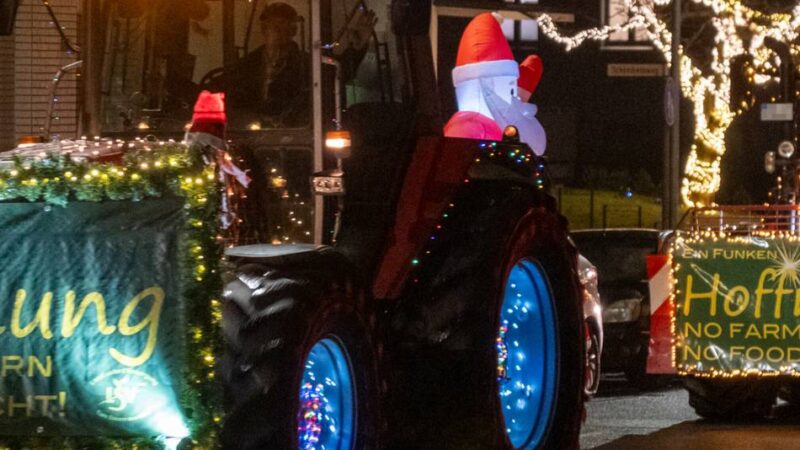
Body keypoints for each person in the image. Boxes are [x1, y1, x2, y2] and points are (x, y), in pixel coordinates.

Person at [227, 2, 309, 128]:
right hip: (249, 136)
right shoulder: (245, 65)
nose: (280, 33)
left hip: (294, 134)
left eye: (285, 27)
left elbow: (306, 103)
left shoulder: (307, 66)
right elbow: (235, 101)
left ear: (294, 31)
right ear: (264, 30)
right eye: (274, 27)